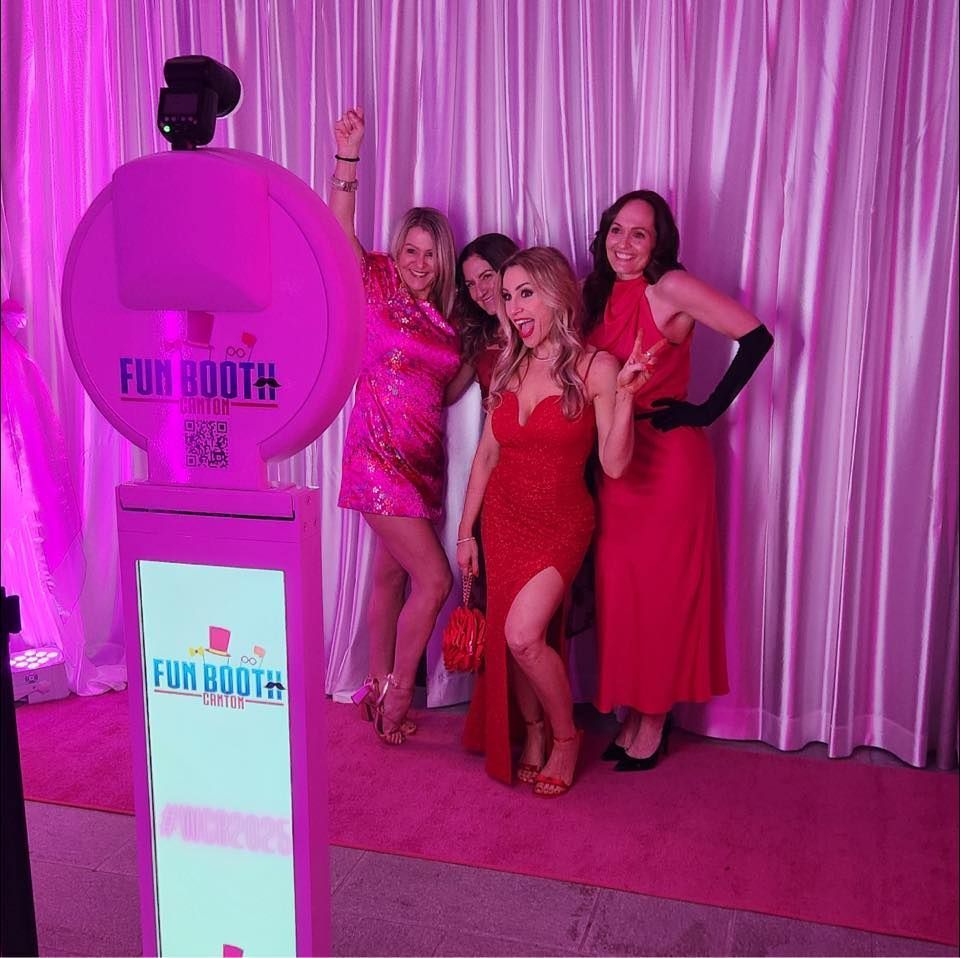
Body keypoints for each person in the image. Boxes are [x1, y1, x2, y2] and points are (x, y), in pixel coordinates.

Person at [582, 189, 773, 771]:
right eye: (618, 230)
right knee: (624, 592)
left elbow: (756, 336)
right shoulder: (600, 293)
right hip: (617, 458)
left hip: (667, 463)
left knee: (662, 595)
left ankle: (655, 719)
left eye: (640, 233)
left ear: (659, 242)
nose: (625, 243)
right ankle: (636, 711)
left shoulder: (670, 287)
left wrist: (705, 412)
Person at [457, 247, 647, 795]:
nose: (514, 306)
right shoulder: (508, 365)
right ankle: (534, 731)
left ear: (558, 293)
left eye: (526, 293)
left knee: (522, 635)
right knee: (509, 635)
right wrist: (465, 532)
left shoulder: (596, 367)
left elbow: (613, 464)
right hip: (502, 520)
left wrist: (628, 401)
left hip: (561, 524)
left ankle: (565, 738)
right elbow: (486, 457)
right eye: (509, 295)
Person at [331, 106, 460, 745]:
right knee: (434, 579)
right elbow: (337, 228)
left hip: (425, 461)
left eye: (429, 254)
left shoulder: (451, 322)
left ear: (443, 262)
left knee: (391, 576)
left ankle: (377, 682)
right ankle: (399, 698)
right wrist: (347, 158)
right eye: (410, 249)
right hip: (376, 457)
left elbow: (455, 390)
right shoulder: (375, 279)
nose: (416, 262)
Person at [444, 233, 519, 403]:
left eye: (486, 276)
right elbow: (447, 397)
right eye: (471, 284)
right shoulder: (481, 338)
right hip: (492, 429)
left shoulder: (537, 327)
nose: (479, 292)